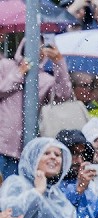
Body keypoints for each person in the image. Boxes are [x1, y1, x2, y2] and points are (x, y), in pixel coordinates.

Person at [0, 45, 72, 178]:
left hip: (25, 150)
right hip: (2, 145)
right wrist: (18, 74)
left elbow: (63, 94)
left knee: (15, 194)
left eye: (41, 48)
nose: (36, 51)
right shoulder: (5, 65)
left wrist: (58, 62)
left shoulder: (44, 79)